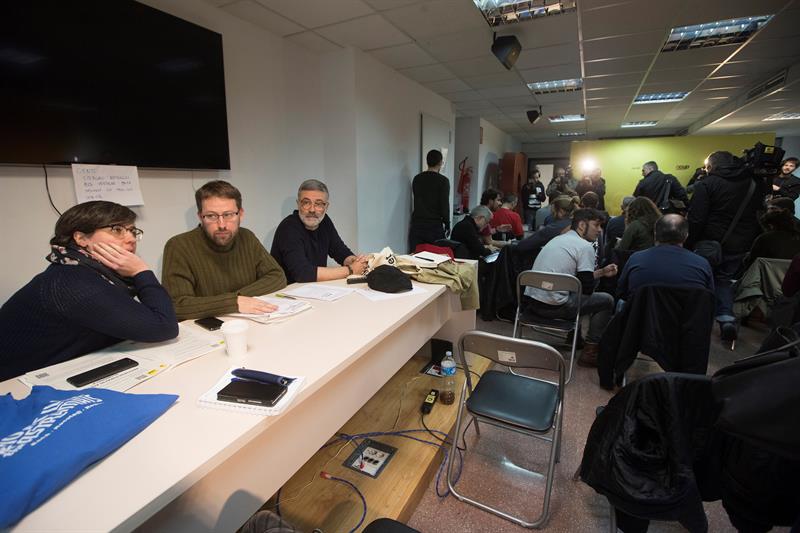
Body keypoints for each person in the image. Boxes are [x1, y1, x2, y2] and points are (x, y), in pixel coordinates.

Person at [0, 201, 178, 381]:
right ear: (81, 238)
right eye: (117, 229)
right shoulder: (72, 281)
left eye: (132, 231)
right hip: (14, 387)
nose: (131, 238)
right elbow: (164, 327)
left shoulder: (84, 271)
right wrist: (141, 271)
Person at [162, 180, 287, 320]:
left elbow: (277, 276)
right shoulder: (178, 246)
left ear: (240, 214)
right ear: (200, 217)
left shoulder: (247, 237)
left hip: (251, 320)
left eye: (228, 215)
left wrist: (238, 298)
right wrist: (234, 302)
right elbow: (176, 306)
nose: (221, 225)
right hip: (209, 331)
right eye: (211, 216)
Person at [687, 151, 767, 341]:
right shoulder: (756, 183)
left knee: (699, 281)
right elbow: (760, 214)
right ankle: (726, 319)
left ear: (711, 166)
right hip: (740, 243)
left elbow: (697, 218)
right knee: (723, 281)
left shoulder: (707, 184)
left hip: (709, 242)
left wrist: (689, 243)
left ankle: (695, 323)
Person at [524, 208, 617, 365]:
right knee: (607, 300)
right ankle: (590, 350)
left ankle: (576, 337)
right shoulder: (585, 247)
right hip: (556, 307)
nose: (600, 231)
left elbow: (572, 280)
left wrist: (600, 272)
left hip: (532, 304)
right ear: (582, 225)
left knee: (574, 292)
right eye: (597, 225)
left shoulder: (557, 240)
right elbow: (585, 290)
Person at [271, 179, 369, 284]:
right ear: (298, 204)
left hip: (314, 289)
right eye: (306, 203)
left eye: (318, 204)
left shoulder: (324, 221)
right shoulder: (288, 228)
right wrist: (350, 270)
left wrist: (355, 261)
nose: (312, 210)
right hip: (287, 293)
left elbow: (340, 251)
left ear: (326, 207)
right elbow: (302, 273)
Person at [617, 214, 714, 301]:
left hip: (642, 319)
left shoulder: (636, 259)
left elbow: (622, 292)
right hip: (688, 319)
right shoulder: (702, 264)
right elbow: (709, 299)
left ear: (655, 234)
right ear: (686, 236)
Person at [409, 149, 450, 252]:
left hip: (417, 224)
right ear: (440, 162)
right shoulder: (443, 181)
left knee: (416, 257)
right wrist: (447, 224)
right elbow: (444, 205)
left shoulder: (417, 179)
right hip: (434, 226)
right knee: (434, 258)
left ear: (427, 161)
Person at [516, 195, 579, 259]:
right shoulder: (577, 223)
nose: (551, 214)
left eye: (552, 211)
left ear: (561, 212)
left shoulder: (554, 228)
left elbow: (522, 246)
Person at [743, 200, 800, 269]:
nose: (769, 211)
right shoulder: (796, 237)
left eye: (773, 209)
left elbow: (750, 263)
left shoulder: (765, 238)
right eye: (769, 209)